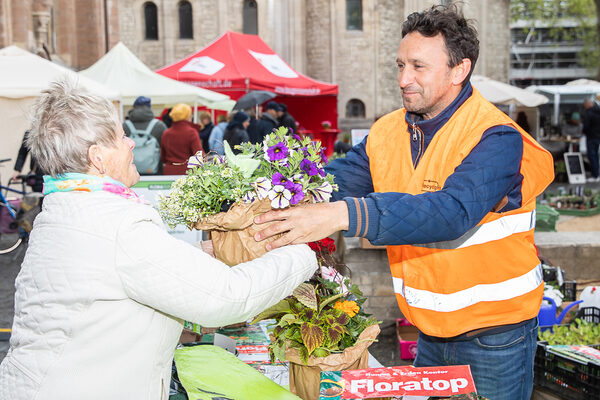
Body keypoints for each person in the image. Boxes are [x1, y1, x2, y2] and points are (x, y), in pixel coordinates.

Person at [253, 5, 554, 400]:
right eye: (400, 65)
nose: (403, 79)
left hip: (495, 338)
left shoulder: (496, 136)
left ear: (459, 70)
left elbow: (451, 213)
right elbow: (334, 182)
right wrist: (268, 196)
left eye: (418, 67)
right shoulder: (388, 131)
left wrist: (344, 214)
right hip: (429, 332)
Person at [0, 79, 317, 400]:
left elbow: (114, 273)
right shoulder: (113, 221)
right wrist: (301, 249)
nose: (132, 143)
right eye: (121, 137)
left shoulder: (67, 207)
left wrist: (202, 252)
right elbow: (227, 298)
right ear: (97, 157)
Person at [123, 96, 167, 175]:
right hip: (155, 173)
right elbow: (166, 150)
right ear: (149, 107)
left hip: (130, 174)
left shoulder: (124, 126)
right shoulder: (159, 126)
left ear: (134, 107)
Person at [160, 103, 203, 175]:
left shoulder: (166, 133)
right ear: (187, 115)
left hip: (169, 172)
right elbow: (199, 156)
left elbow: (163, 158)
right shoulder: (191, 132)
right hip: (187, 172)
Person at [583, 98, 600, 182]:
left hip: (591, 137)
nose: (584, 106)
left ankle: (595, 175)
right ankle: (596, 174)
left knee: (592, 156)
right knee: (596, 156)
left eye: (585, 104)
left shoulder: (589, 113)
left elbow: (586, 126)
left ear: (589, 104)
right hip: (597, 137)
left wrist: (585, 132)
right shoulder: (598, 112)